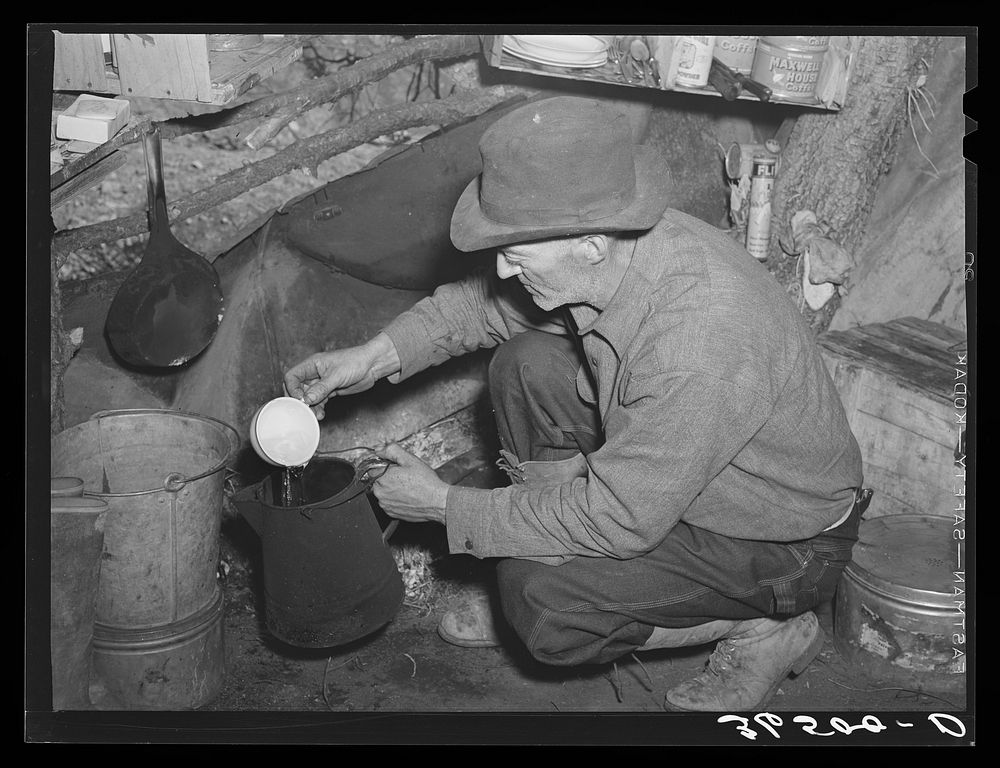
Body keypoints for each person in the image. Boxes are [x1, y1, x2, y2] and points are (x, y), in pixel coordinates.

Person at [284, 96, 870, 712]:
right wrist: (369, 359)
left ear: (589, 243)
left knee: (546, 610)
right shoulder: (609, 254)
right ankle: (528, 559)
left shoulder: (700, 338)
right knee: (524, 366)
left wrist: (446, 507)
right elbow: (478, 308)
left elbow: (616, 517)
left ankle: (765, 626)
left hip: (782, 540)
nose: (504, 272)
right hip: (681, 479)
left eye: (515, 253)